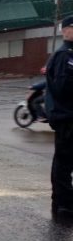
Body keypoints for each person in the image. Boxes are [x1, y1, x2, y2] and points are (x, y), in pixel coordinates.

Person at [45, 15, 73, 216]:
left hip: (67, 115)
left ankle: (62, 200)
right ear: (65, 30)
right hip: (66, 116)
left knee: (64, 160)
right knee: (64, 160)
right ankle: (63, 203)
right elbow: (64, 88)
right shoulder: (65, 56)